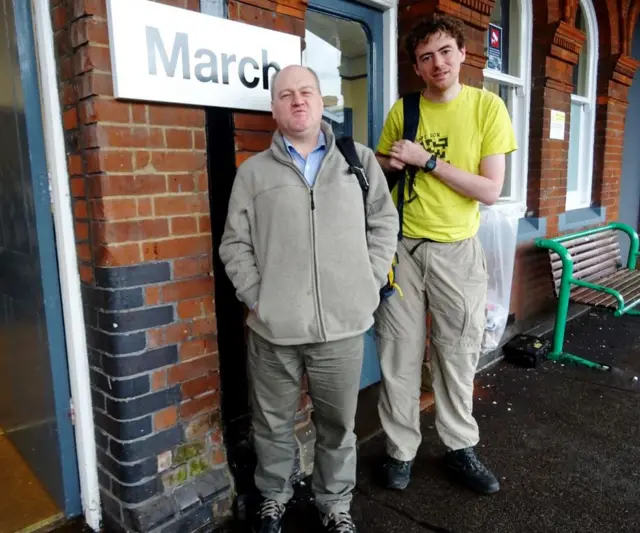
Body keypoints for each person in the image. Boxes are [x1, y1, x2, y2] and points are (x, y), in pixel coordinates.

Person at [219, 64, 399, 533]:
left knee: (337, 428)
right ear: (275, 109)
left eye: (306, 92)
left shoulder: (357, 161)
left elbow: (384, 224)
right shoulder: (253, 174)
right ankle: (274, 497)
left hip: (340, 328)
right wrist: (257, 297)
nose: (297, 101)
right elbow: (234, 244)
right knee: (272, 425)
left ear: (322, 102)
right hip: (273, 329)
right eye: (285, 95)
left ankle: (334, 503)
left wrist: (369, 278)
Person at [374, 14, 518, 495]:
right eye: (425, 57)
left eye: (444, 52)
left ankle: (459, 447)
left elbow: (491, 190)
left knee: (456, 354)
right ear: (417, 66)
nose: (437, 63)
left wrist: (428, 161)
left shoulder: (487, 108)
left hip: (457, 251)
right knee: (398, 355)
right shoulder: (405, 110)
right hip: (403, 251)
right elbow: (382, 173)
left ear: (462, 53)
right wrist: (389, 162)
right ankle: (400, 451)